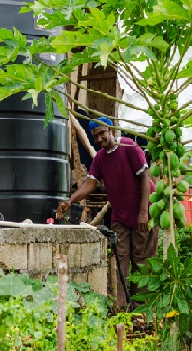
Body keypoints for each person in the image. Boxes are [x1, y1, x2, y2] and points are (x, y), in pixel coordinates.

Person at [56, 117, 158, 309]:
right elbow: (89, 184)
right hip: (120, 216)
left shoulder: (128, 146)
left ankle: (140, 310)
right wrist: (70, 199)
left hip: (143, 212)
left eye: (102, 133)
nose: (100, 138)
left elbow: (145, 177)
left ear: (110, 130)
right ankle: (119, 307)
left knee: (142, 261)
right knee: (119, 260)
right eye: (95, 136)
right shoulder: (100, 159)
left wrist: (144, 212)